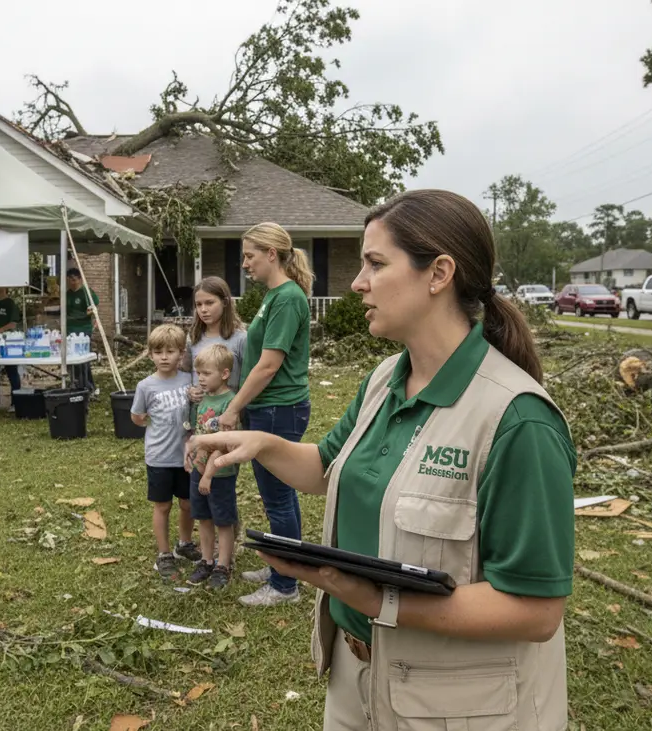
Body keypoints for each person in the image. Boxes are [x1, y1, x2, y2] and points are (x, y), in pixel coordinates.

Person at [190, 189, 576, 730]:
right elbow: (327, 467)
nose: (356, 281)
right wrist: (262, 444)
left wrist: (375, 600)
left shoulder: (518, 421)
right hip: (356, 676)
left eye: (375, 263)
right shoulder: (382, 381)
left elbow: (536, 611)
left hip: (457, 707)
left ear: (438, 273)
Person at [217, 222, 313, 607]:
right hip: (270, 407)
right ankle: (285, 565)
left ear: (272, 254)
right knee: (280, 494)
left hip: (279, 408)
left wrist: (233, 407)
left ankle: (284, 585)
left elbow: (268, 365)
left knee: (277, 496)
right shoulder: (276, 296)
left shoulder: (287, 298)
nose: (245, 264)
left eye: (249, 256)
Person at [129, 324, 201, 581]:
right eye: (158, 352)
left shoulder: (190, 380)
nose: (164, 357)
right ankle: (164, 554)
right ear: (150, 355)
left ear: (181, 354)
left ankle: (184, 544)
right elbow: (137, 417)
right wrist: (148, 421)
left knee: (188, 503)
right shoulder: (145, 386)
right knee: (162, 505)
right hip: (159, 457)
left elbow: (198, 407)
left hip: (186, 456)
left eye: (170, 351)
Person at [182, 344, 241, 590]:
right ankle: (206, 561)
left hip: (220, 474)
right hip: (198, 471)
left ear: (225, 374)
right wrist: (189, 453)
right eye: (199, 374)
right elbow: (198, 432)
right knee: (203, 518)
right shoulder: (202, 400)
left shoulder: (230, 403)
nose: (201, 379)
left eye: (207, 374)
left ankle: (223, 565)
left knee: (223, 521)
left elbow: (223, 444)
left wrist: (208, 474)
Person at [183, 276, 246, 393]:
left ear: (225, 302)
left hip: (229, 409)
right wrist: (189, 390)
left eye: (209, 303)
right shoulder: (193, 337)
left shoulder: (241, 338)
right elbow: (184, 374)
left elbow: (249, 379)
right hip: (198, 409)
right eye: (199, 304)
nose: (203, 309)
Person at [64, 268, 98, 392]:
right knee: (71, 360)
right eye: (69, 280)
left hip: (83, 331)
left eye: (74, 280)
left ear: (79, 279)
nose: (72, 283)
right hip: (69, 330)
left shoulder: (86, 292)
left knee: (83, 360)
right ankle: (76, 383)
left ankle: (88, 385)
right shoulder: (66, 294)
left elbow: (93, 308)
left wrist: (88, 315)